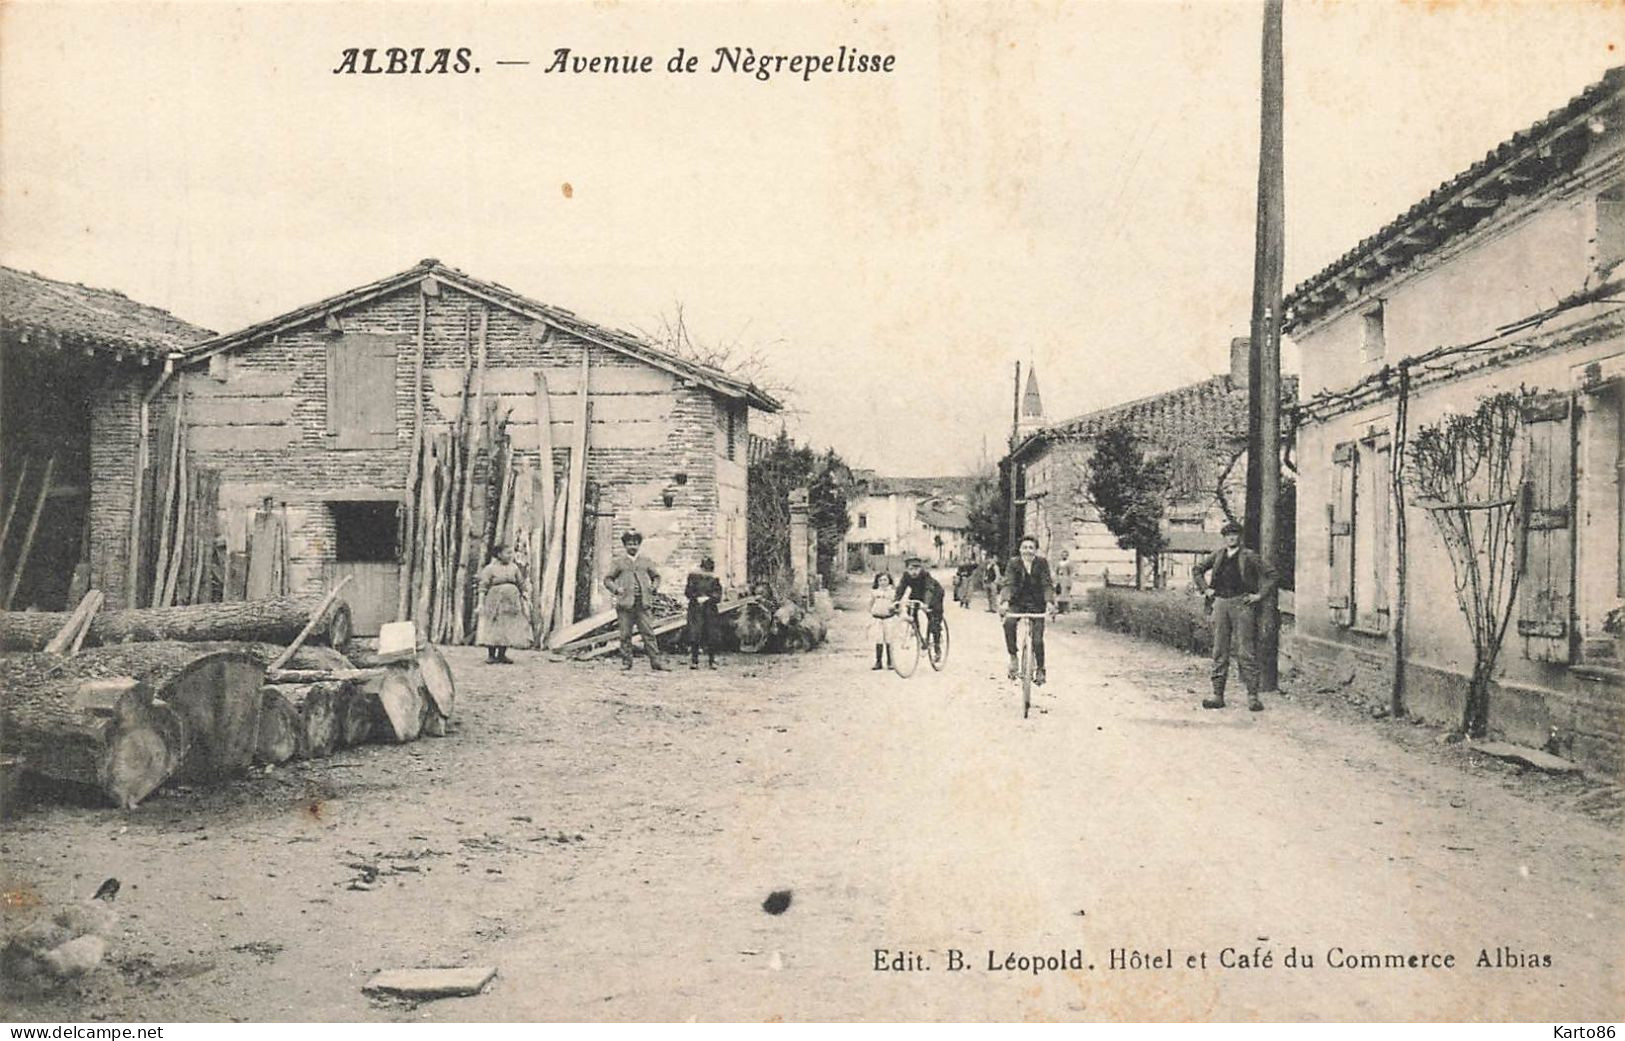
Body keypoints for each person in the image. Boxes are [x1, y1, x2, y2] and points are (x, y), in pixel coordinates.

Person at [1191, 520, 1278, 712]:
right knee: (1219, 650)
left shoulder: (1249, 556)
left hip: (1242, 605)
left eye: (1235, 534)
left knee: (1245, 651)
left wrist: (1259, 595)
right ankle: (1217, 695)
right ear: (1224, 537)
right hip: (1220, 603)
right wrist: (1206, 590)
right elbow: (1197, 570)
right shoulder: (1218, 555)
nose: (1232, 537)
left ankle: (1253, 697)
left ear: (1240, 536)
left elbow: (1271, 574)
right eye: (1228, 534)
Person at [602, 529, 667, 671]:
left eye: (635, 544)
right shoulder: (619, 562)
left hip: (643, 604)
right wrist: (616, 590)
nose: (632, 547)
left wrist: (653, 587)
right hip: (625, 604)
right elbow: (607, 579)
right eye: (629, 544)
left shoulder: (646, 561)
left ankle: (656, 663)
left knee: (649, 634)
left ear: (639, 545)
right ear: (625, 546)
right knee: (625, 635)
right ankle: (627, 662)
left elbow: (656, 576)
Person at [999, 535, 1056, 685]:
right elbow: (1009, 583)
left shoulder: (1042, 563)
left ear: (1035, 550)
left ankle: (1041, 669)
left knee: (1037, 639)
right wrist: (1005, 601)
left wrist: (1049, 602)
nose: (1028, 551)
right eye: (1025, 547)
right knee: (1008, 623)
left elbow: (1047, 584)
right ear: (1020, 549)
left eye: (1031, 548)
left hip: (1037, 605)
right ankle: (1013, 657)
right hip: (1017, 602)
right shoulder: (1013, 563)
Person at [476, 544, 532, 664]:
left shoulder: (514, 568)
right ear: (499, 554)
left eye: (511, 553)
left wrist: (525, 596)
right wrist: (480, 603)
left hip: (511, 601)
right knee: (494, 626)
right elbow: (483, 587)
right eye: (507, 553)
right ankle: (491, 655)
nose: (510, 555)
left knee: (508, 626)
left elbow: (521, 583)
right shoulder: (490, 569)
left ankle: (502, 654)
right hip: (495, 601)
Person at [894, 556, 945, 656]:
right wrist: (896, 602)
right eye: (911, 569)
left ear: (921, 568)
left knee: (934, 618)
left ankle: (937, 647)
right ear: (907, 569)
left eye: (917, 569)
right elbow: (900, 589)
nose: (914, 572)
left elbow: (929, 589)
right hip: (917, 594)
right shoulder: (906, 576)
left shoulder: (925, 576)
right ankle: (920, 637)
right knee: (912, 612)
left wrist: (926, 604)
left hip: (934, 594)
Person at [684, 556, 723, 670]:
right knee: (694, 634)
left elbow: (718, 595)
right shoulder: (693, 578)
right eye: (704, 568)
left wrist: (709, 598)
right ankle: (694, 660)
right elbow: (688, 592)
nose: (706, 571)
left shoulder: (715, 580)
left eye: (708, 569)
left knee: (712, 635)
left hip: (710, 610)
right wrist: (696, 598)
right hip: (695, 609)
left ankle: (712, 660)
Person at [867, 571, 897, 670]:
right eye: (880, 580)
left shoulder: (893, 592)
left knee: (889, 639)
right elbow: (870, 603)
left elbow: (897, 605)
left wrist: (896, 610)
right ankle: (878, 661)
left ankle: (890, 662)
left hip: (889, 618)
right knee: (878, 639)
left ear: (889, 581)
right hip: (877, 618)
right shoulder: (874, 592)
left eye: (885, 580)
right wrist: (871, 612)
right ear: (877, 581)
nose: (883, 582)